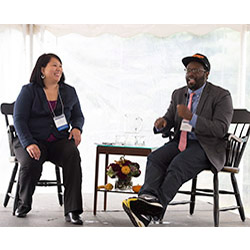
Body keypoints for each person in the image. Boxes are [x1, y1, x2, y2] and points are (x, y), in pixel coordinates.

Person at [122, 53, 233, 227]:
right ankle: (147, 199)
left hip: (206, 146)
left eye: (196, 70)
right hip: (180, 142)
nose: (190, 74)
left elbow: (221, 129)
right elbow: (170, 120)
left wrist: (192, 118)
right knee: (155, 158)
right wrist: (162, 124)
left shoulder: (221, 95)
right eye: (188, 70)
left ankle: (152, 211)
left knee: (177, 165)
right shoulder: (178, 93)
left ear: (207, 73)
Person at [13, 53, 84, 225]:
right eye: (54, 65)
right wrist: (29, 143)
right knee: (31, 161)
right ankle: (23, 204)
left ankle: (73, 210)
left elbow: (78, 116)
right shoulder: (29, 90)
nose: (58, 69)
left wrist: (76, 128)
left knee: (72, 155)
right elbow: (19, 119)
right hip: (31, 139)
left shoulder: (69, 91)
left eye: (60, 66)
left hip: (58, 141)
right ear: (42, 69)